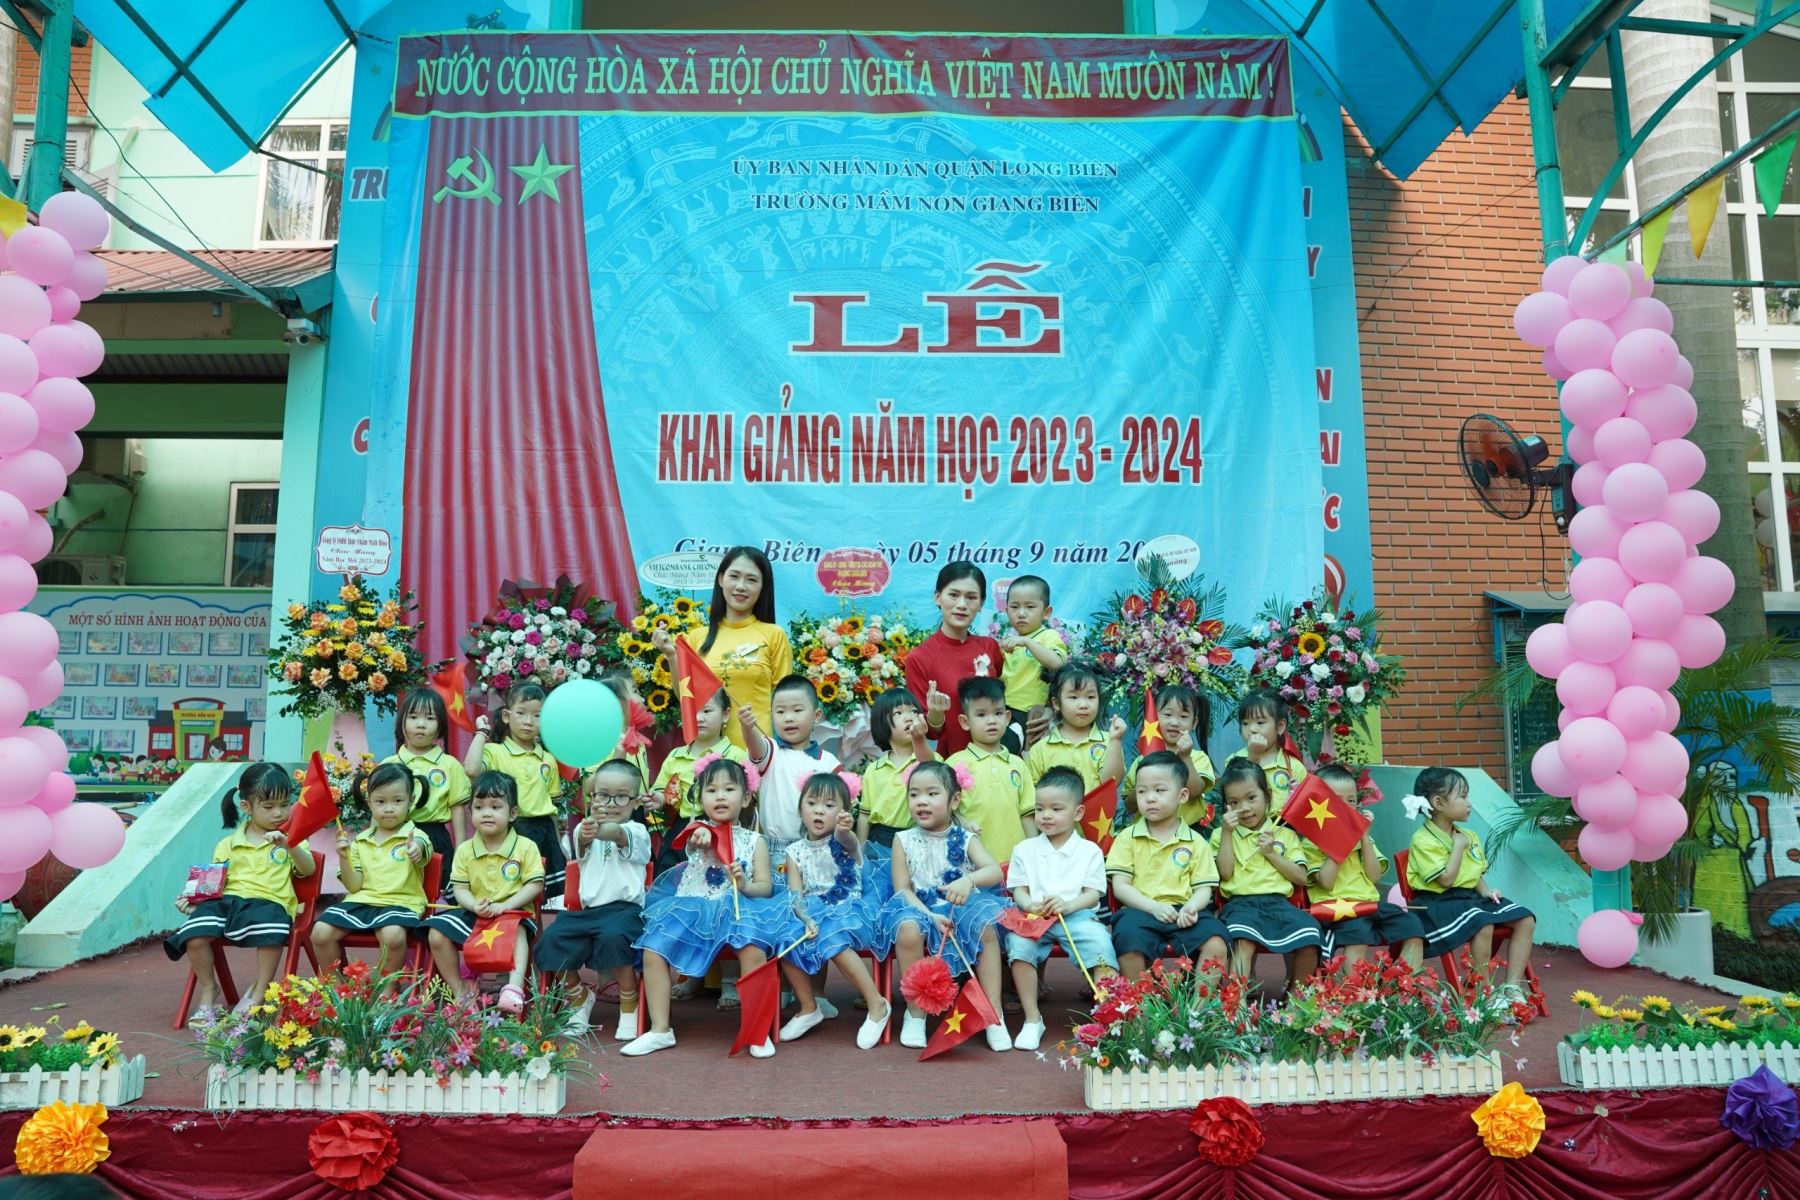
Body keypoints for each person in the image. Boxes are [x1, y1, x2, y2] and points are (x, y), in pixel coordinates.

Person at [624, 756, 799, 1057]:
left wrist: (744, 884)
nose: (720, 796)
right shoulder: (697, 831)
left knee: (753, 949)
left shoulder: (755, 841)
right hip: (692, 909)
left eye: (729, 789)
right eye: (711, 790)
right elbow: (692, 839)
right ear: (700, 797)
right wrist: (703, 833)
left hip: (738, 910)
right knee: (653, 949)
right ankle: (660, 1030)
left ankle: (757, 1032)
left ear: (746, 798)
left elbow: (765, 887)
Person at [165, 762, 317, 1021]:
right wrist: (194, 902)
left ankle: (259, 991)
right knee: (194, 932)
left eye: (284, 804)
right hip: (229, 902)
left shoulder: (293, 838)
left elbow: (309, 869)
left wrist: (289, 845)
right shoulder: (226, 844)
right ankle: (209, 989)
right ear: (246, 807)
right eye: (268, 807)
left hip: (270, 903)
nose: (279, 813)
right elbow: (212, 885)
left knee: (271, 930)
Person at [877, 761, 1012, 1051]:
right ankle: (915, 1012)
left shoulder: (965, 838)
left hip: (960, 907)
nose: (921, 801)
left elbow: (993, 871)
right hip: (918, 906)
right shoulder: (903, 840)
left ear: (955, 800)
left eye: (932, 793)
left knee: (985, 928)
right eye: (914, 794)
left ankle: (994, 1012)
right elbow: (902, 889)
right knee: (908, 929)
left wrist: (968, 881)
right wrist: (928, 915)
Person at [537, 759, 652, 1040]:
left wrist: (598, 826)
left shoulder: (637, 832)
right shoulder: (583, 830)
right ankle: (578, 996)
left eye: (621, 796)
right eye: (603, 795)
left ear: (636, 801)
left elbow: (615, 832)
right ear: (593, 797)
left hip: (625, 912)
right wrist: (589, 828)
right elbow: (584, 838)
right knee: (551, 940)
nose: (611, 803)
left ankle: (629, 1000)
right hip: (586, 913)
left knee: (614, 937)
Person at [777, 772, 893, 1049]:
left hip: (850, 909)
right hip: (812, 910)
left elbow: (847, 839)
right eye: (812, 803)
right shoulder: (794, 851)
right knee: (784, 937)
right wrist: (805, 918)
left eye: (829, 805)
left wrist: (844, 829)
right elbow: (796, 893)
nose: (819, 810)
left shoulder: (844, 841)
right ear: (800, 809)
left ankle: (877, 1004)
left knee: (833, 936)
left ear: (844, 812)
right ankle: (809, 1007)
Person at [1006, 767, 1119, 1051]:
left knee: (1101, 943)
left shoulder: (1090, 851)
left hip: (1077, 915)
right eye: (1040, 808)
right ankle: (1032, 1018)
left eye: (1056, 809)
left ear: (1078, 812)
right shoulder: (1024, 849)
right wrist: (1028, 904)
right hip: (1035, 916)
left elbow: (1093, 893)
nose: (1046, 815)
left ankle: (1106, 1017)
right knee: (1019, 944)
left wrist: (1068, 905)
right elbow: (1018, 889)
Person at [1405, 766, 1537, 1001]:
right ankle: (1484, 993)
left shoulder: (1468, 835)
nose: (1469, 803)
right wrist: (1457, 847)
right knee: (1482, 923)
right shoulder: (1423, 839)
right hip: (1437, 903)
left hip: (1469, 898)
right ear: (1438, 802)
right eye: (1463, 796)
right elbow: (1446, 880)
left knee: (1525, 919)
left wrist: (1486, 891)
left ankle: (1512, 986)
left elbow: (1474, 875)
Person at [422, 772, 545, 1013]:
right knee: (436, 933)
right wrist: (473, 905)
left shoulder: (525, 846)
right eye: (479, 807)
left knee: (518, 929)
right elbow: (460, 889)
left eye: (495, 807)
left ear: (513, 813)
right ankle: (461, 991)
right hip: (476, 912)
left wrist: (506, 905)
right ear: (470, 814)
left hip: (514, 912)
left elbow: (535, 885)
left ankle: (513, 989)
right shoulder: (465, 850)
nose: (486, 813)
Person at [652, 546, 792, 749]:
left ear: (763, 587)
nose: (741, 586)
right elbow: (686, 697)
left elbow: (785, 702)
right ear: (720, 579)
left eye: (752, 580)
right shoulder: (697, 637)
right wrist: (672, 656)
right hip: (708, 755)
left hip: (757, 753)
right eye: (734, 576)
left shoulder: (774, 635)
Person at [1106, 752, 1229, 982]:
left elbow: (1204, 889)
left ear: (1182, 795)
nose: (1150, 798)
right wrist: (1153, 907)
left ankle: (1199, 1004)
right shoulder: (1126, 838)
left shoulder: (1195, 841)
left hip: (1183, 911)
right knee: (1127, 940)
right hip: (1140, 909)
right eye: (1142, 791)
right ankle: (1142, 1003)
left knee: (1217, 942)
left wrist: (1192, 908)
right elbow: (1121, 887)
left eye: (1160, 790)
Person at [310, 763, 434, 981]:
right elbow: (354, 886)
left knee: (392, 935)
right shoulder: (360, 841)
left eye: (397, 801)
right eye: (380, 802)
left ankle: (386, 989)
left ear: (411, 800)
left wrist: (416, 849)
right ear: (369, 803)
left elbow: (421, 846)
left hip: (401, 903)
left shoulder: (415, 835)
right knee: (320, 932)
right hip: (362, 901)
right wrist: (344, 856)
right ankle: (338, 989)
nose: (389, 808)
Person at [1213, 759, 1323, 991]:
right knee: (1242, 940)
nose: (1244, 808)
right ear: (1226, 807)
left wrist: (1272, 854)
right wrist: (1227, 833)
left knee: (1311, 937)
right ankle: (1236, 1004)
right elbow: (1225, 873)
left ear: (1268, 796)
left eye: (1251, 798)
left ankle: (1295, 1000)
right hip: (1239, 905)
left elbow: (1301, 878)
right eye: (1234, 802)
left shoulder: (1284, 834)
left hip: (1279, 904)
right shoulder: (1221, 835)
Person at [1303, 763, 1424, 970]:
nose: (1346, 807)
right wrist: (1340, 843)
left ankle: (1402, 983)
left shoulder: (1361, 837)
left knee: (1413, 925)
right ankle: (1353, 987)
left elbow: (1374, 877)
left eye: (1351, 800)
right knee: (1358, 933)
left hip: (1369, 905)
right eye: (1336, 801)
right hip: (1337, 909)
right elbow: (1326, 882)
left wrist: (1365, 838)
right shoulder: (1311, 842)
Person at [463, 681, 565, 896]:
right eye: (521, 713)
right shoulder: (494, 752)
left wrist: (559, 843)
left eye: (537, 715)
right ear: (507, 716)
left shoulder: (548, 759)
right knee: (510, 889)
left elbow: (552, 808)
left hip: (545, 833)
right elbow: (471, 769)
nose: (528, 721)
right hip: (509, 831)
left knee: (545, 894)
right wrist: (481, 733)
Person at [904, 561, 1004, 759]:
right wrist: (936, 714)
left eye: (971, 597)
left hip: (999, 758)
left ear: (981, 603)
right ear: (937, 597)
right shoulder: (920, 658)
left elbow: (1007, 700)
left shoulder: (990, 648)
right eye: (953, 595)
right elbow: (930, 732)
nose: (962, 605)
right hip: (954, 764)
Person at [742, 675, 842, 869]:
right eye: (780, 711)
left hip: (818, 848)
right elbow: (754, 745)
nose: (788, 718)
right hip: (773, 851)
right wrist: (747, 729)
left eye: (797, 710)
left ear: (817, 715)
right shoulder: (771, 751)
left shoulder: (830, 763)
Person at [651, 686, 745, 872]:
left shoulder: (736, 755)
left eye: (707, 711)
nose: (698, 718)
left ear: (725, 715)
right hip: (682, 829)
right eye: (691, 712)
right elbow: (662, 792)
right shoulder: (675, 756)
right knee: (670, 876)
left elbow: (748, 801)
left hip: (723, 830)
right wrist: (658, 799)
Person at [945, 676, 1034, 864]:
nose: (991, 721)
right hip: (972, 865)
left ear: (1007, 718)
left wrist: (1034, 855)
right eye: (981, 715)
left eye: (998, 713)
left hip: (1016, 864)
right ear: (965, 722)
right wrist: (963, 822)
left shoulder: (1018, 764)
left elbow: (1027, 814)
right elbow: (944, 812)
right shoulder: (954, 764)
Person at [384, 688, 471, 863]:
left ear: (441, 725)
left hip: (436, 838)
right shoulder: (389, 764)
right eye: (413, 717)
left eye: (430, 718)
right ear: (401, 721)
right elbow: (378, 810)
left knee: (439, 881)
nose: (421, 724)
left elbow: (458, 811)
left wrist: (460, 854)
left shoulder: (450, 765)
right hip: (396, 835)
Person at [1023, 660, 1127, 794]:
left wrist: (1116, 741)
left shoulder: (1109, 741)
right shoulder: (1040, 749)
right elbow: (1033, 796)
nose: (1083, 705)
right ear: (1056, 703)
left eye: (1090, 697)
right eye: (1073, 697)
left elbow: (1112, 781)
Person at [1123, 683, 1217, 828]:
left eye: (1183, 716)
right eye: (1167, 714)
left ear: (1194, 723)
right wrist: (1143, 786)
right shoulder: (1143, 759)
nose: (1174, 722)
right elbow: (1130, 806)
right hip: (1148, 832)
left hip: (1188, 831)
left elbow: (1195, 791)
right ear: (1154, 717)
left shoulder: (1198, 758)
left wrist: (1185, 757)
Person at [855, 687, 932, 848]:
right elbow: (864, 815)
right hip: (880, 840)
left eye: (914, 711)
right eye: (898, 713)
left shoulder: (928, 759)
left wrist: (920, 739)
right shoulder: (874, 769)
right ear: (882, 723)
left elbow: (931, 768)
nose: (909, 717)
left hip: (920, 836)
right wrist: (860, 852)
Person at [998, 575, 1068, 751]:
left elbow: (1058, 663)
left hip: (1029, 714)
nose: (1021, 613)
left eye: (1030, 607)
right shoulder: (1008, 642)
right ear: (1006, 610)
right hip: (1003, 710)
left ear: (1046, 612)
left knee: (1009, 749)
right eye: (1014, 607)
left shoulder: (1048, 636)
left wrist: (1027, 642)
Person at [1224, 690, 1308, 813]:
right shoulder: (1233, 761)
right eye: (1245, 723)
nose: (1252, 729)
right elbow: (1234, 795)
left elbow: (1304, 809)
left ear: (1280, 726)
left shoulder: (1294, 767)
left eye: (1260, 723)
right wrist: (1253, 756)